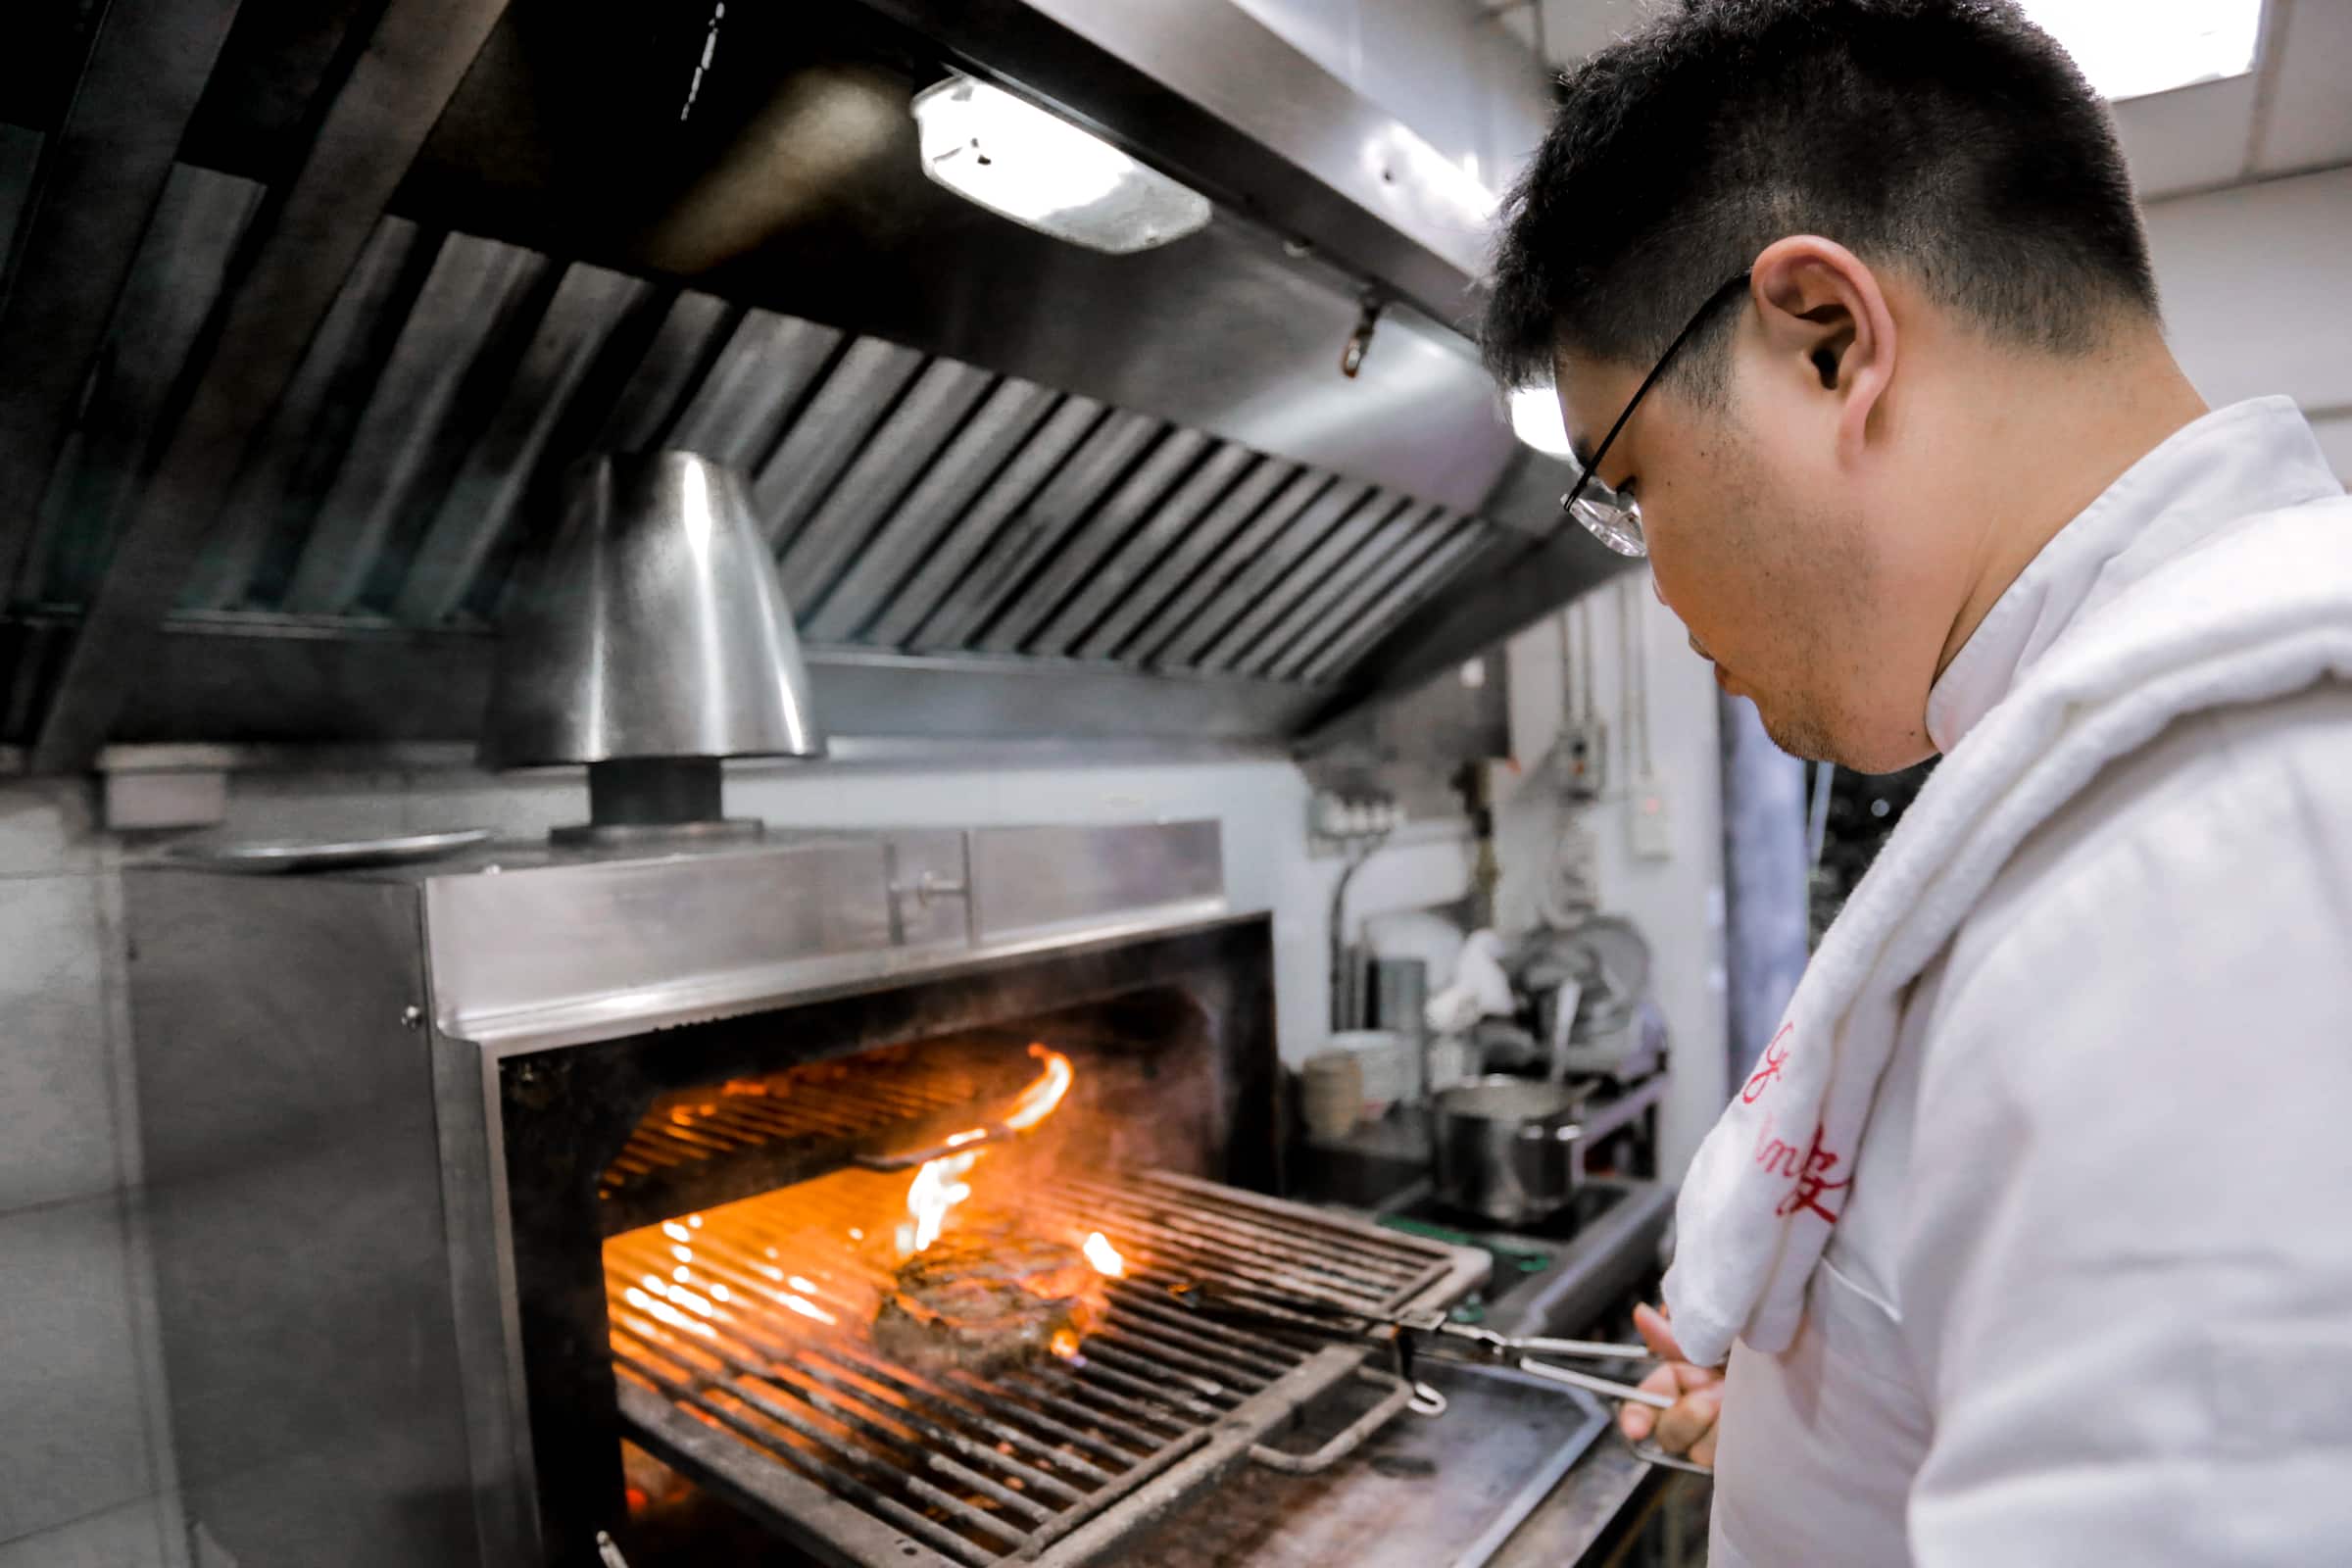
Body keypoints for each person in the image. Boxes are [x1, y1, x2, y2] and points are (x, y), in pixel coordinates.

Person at [1481, 1, 2352, 1562]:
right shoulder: (2128, 801)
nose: (1661, 591)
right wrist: (1838, 1425)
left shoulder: (2215, 862)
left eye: (1633, 491)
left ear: (1827, 342)